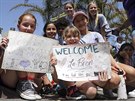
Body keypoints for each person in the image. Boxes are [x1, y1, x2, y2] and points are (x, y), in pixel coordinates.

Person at [73, 10, 135, 98]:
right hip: (89, 70)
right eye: (77, 21)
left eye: (82, 19)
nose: (80, 22)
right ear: (74, 24)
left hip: (105, 64)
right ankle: (102, 86)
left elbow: (106, 53)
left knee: (130, 73)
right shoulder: (74, 39)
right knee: (108, 82)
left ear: (87, 20)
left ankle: (112, 88)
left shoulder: (96, 35)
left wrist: (116, 66)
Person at [51, 25, 110, 100]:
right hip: (66, 82)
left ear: (79, 38)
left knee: (91, 93)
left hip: (82, 79)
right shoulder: (59, 53)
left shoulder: (87, 52)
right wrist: (54, 65)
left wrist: (102, 80)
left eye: (75, 36)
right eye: (69, 36)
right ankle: (70, 91)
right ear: (64, 39)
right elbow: (56, 79)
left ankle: (80, 92)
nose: (72, 39)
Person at [0, 13, 47, 100]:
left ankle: (27, 87)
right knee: (20, 50)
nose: (29, 28)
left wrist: (48, 64)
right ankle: (23, 84)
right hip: (10, 80)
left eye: (32, 26)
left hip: (32, 84)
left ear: (35, 28)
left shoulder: (39, 45)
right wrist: (2, 50)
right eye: (25, 25)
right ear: (18, 26)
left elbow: (40, 74)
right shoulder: (7, 40)